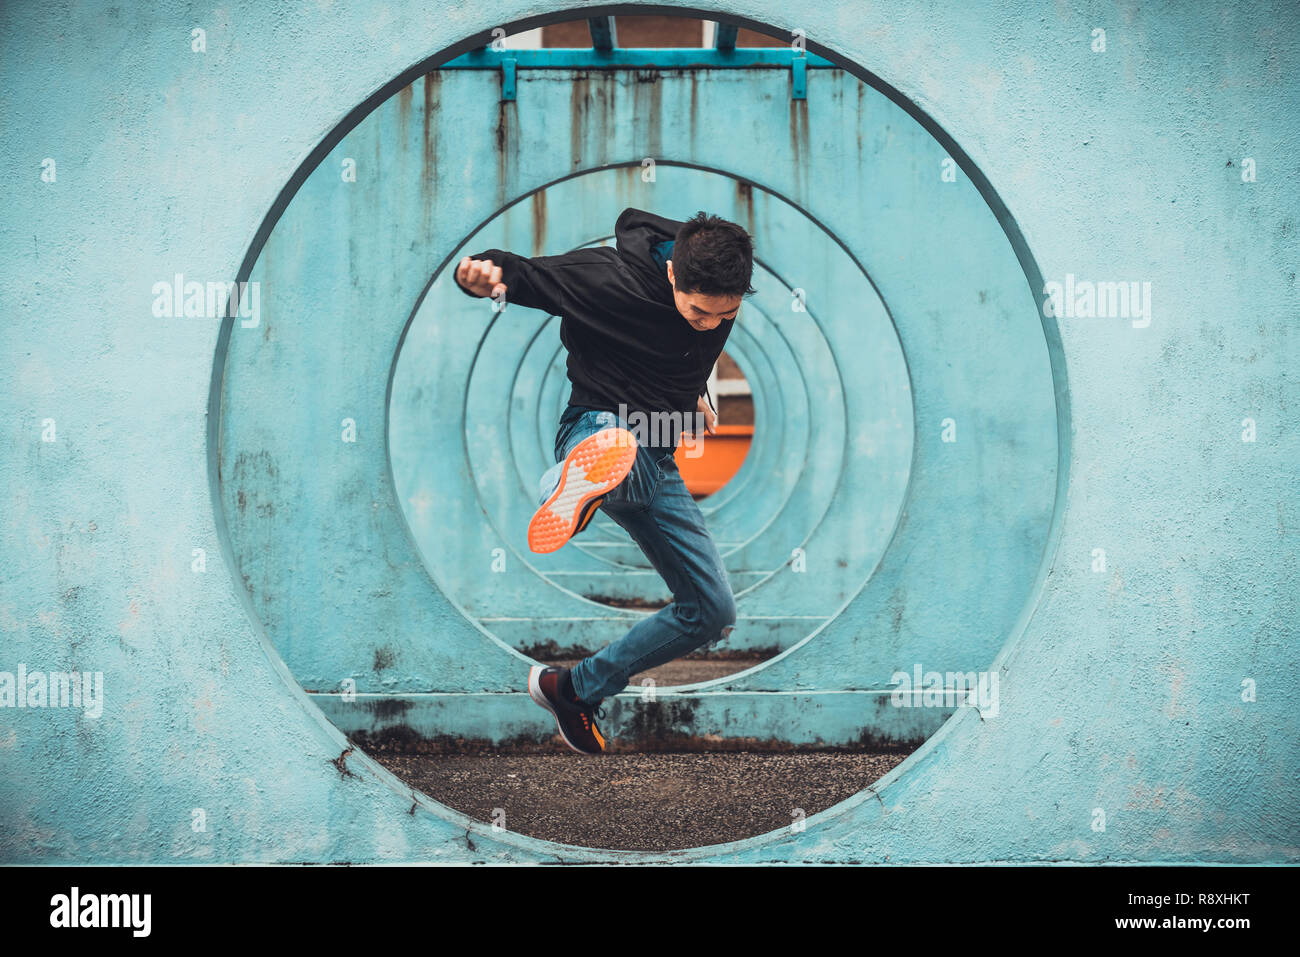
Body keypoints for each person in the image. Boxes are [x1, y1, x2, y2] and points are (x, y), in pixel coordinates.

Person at [454, 207, 755, 754]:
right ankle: (567, 486)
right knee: (615, 440)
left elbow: (681, 354)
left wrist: (697, 394)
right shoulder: (607, 277)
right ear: (671, 277)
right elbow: (522, 274)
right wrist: (477, 276)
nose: (711, 324)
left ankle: (572, 689)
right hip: (593, 423)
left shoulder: (717, 285)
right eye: (698, 312)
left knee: (712, 611)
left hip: (654, 459)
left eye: (724, 315)